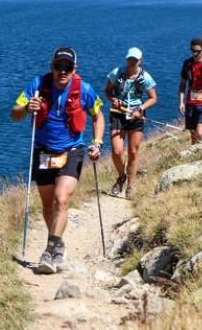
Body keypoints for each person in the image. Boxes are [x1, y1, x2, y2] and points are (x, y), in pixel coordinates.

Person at [10, 47, 104, 274]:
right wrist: (26, 108)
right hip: (43, 152)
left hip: (72, 150)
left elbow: (98, 115)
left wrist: (97, 142)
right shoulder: (37, 85)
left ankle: (50, 249)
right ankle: (58, 243)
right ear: (51, 67)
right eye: (58, 67)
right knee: (47, 204)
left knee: (61, 199)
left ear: (74, 69)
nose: (63, 71)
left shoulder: (85, 90)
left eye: (67, 67)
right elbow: (14, 113)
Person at [105, 47, 158, 198]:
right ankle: (122, 176)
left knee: (133, 151)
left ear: (140, 60)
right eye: (130, 59)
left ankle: (131, 185)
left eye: (135, 59)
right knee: (116, 151)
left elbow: (153, 98)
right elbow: (107, 91)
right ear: (126, 59)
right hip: (118, 114)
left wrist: (140, 109)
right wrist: (113, 99)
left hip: (136, 116)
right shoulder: (117, 73)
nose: (132, 62)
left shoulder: (145, 77)